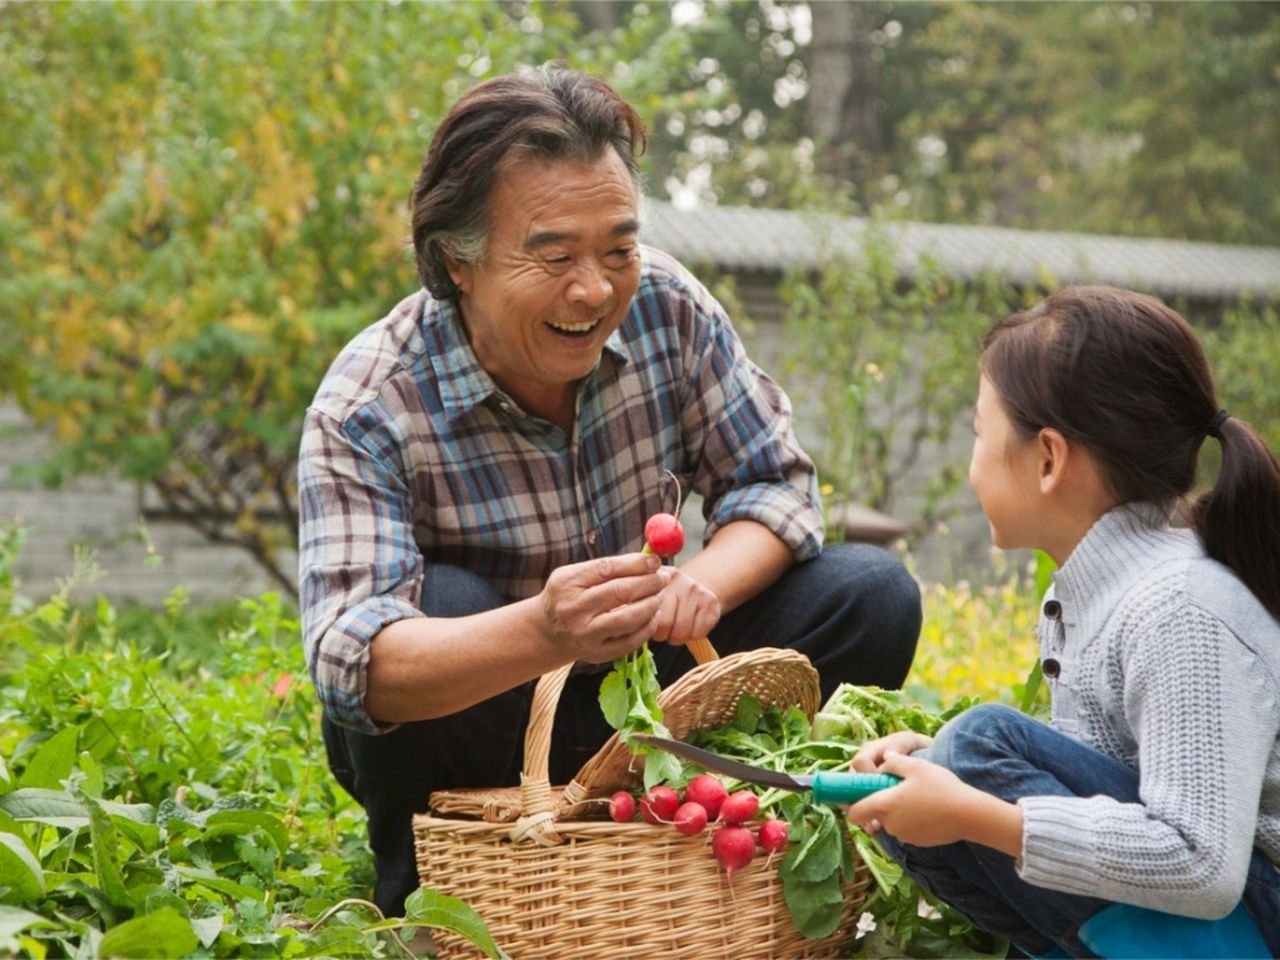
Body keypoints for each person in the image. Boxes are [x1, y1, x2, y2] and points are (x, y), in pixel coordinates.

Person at [296, 64, 921, 917]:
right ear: (459, 262)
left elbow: (773, 484)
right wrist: (542, 630)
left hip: (655, 690)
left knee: (870, 594)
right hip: (492, 713)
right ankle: (431, 892)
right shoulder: (371, 404)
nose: (594, 290)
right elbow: (350, 661)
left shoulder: (666, 307)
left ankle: (727, 852)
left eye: (617, 249)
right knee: (437, 600)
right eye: (552, 256)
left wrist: (703, 586)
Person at [846, 286, 1280, 957]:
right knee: (936, 776)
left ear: (1048, 459)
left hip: (1256, 915)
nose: (971, 466)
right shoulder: (1096, 592)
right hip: (1224, 915)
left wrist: (978, 810)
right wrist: (940, 768)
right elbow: (1100, 781)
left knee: (978, 748)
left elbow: (1203, 865)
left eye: (979, 436)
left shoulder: (1182, 606)